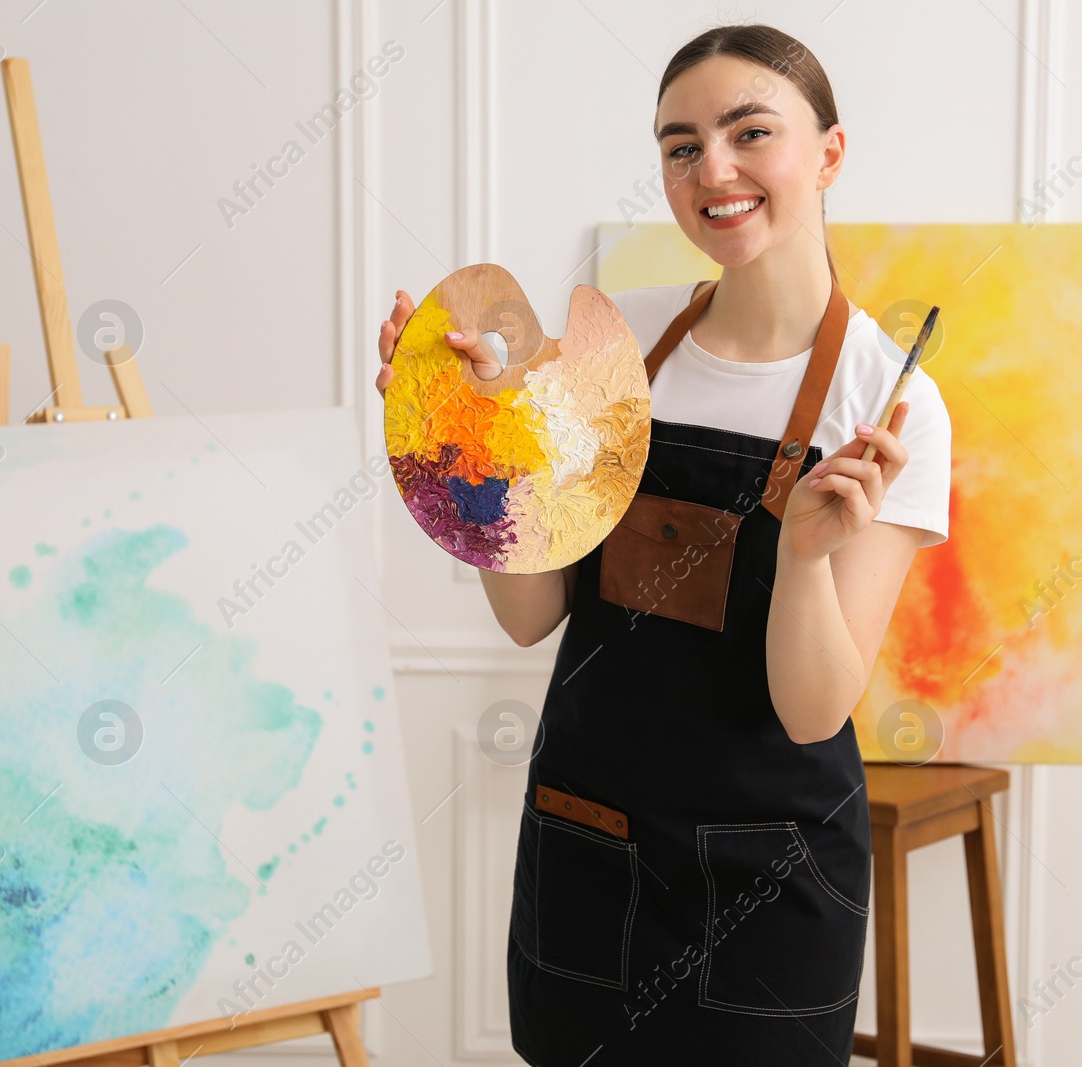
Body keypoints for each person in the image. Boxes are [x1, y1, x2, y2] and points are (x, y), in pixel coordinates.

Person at [376, 22, 951, 1065]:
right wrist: (470, 452)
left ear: (827, 152)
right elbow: (530, 613)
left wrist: (808, 554)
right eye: (680, 145)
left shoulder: (888, 398)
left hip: (767, 880)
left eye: (749, 132)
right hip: (589, 838)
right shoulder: (613, 345)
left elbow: (812, 705)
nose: (712, 170)